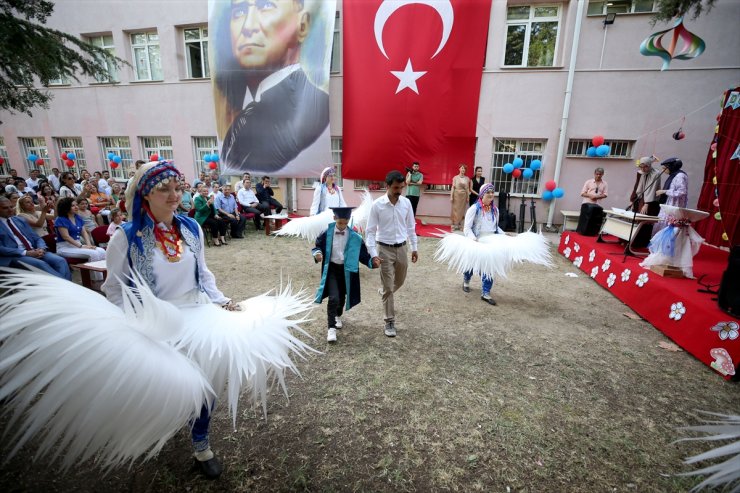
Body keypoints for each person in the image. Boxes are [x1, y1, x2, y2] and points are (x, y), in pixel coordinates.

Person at [103, 161, 239, 479]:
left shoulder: (190, 228)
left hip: (199, 314)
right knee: (166, 388)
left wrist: (223, 301)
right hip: (156, 322)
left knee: (206, 385)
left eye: (177, 188)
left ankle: (201, 445)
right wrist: (129, 327)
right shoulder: (126, 237)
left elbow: (203, 275)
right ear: (145, 194)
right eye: (164, 189)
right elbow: (113, 289)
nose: (174, 195)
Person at [217, 0, 330, 174]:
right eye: (239, 12)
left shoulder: (316, 106)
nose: (248, 26)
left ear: (302, 26)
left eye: (266, 6)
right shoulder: (245, 107)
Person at [312, 207, 379, 343]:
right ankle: (331, 328)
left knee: (342, 296)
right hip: (331, 269)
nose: (342, 226)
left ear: (348, 220)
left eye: (345, 223)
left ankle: (338, 315)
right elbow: (317, 246)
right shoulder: (326, 233)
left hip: (346, 270)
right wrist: (318, 254)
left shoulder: (355, 237)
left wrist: (372, 262)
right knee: (334, 297)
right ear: (334, 218)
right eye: (340, 222)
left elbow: (362, 255)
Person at [365, 170, 419, 338]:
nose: (399, 191)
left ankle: (385, 293)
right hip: (384, 249)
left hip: (402, 248)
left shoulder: (406, 204)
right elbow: (370, 232)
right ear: (387, 186)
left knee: (399, 281)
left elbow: (411, 227)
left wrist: (414, 247)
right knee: (388, 286)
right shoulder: (377, 205)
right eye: (396, 187)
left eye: (401, 187)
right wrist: (373, 253)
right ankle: (389, 320)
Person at [0, 196, 70, 280]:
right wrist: (25, 253)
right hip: (15, 256)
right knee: (41, 264)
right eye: (5, 208)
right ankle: (68, 289)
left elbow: (36, 238)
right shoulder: (21, 217)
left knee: (60, 261)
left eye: (11, 207)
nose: (10, 210)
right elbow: (1, 249)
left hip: (35, 250)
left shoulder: (19, 220)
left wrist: (41, 248)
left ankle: (63, 290)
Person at [462, 183, 504, 305]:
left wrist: (504, 234)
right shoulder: (474, 209)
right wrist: (473, 239)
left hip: (492, 242)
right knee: (471, 264)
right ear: (482, 194)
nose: (491, 194)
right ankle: (466, 281)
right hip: (477, 240)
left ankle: (486, 293)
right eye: (488, 192)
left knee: (489, 267)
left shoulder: (495, 210)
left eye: (492, 192)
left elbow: (495, 227)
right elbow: (467, 228)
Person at [53, 198, 106, 275]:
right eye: (73, 206)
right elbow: (66, 237)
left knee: (102, 251)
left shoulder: (77, 217)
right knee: (94, 254)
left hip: (77, 245)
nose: (76, 207)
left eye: (76, 205)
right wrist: (81, 246)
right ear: (66, 208)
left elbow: (84, 232)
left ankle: (104, 276)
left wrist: (89, 245)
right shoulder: (60, 219)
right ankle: (96, 279)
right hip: (64, 247)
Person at [629, 156, 662, 248]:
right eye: (641, 167)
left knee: (645, 222)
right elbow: (637, 187)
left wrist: (647, 203)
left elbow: (652, 189)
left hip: (651, 202)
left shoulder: (655, 174)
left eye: (645, 167)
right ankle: (633, 241)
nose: (643, 169)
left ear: (649, 165)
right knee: (637, 219)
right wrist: (633, 199)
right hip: (641, 199)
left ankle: (641, 243)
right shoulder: (641, 173)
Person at [654, 157, 689, 234]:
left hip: (674, 205)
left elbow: (682, 191)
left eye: (664, 168)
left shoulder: (680, 176)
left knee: (667, 225)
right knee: (662, 223)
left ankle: (665, 244)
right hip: (669, 203)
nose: (663, 170)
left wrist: (664, 191)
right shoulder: (674, 175)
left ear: (671, 167)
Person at [450, 164, 471, 231]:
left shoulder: (467, 178)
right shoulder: (455, 178)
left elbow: (467, 189)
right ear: (459, 169)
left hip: (463, 196)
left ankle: (460, 224)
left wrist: (468, 197)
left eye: (464, 169)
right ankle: (453, 224)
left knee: (462, 210)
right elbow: (453, 187)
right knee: (455, 210)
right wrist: (451, 196)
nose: (463, 170)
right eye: (462, 168)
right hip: (456, 195)